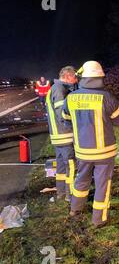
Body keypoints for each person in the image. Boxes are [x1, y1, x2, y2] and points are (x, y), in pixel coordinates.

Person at [62, 61, 119, 228]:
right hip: (105, 152)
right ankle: (99, 219)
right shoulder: (107, 97)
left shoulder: (70, 98)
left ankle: (75, 209)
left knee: (81, 179)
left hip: (82, 151)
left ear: (83, 77)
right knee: (102, 184)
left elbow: (66, 120)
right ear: (100, 77)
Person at [45, 67, 78, 202]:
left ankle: (61, 193)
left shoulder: (55, 88)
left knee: (61, 167)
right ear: (68, 76)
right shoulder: (59, 89)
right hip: (65, 136)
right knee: (71, 165)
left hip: (58, 137)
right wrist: (76, 122)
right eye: (75, 77)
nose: (76, 80)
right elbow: (62, 115)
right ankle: (70, 195)